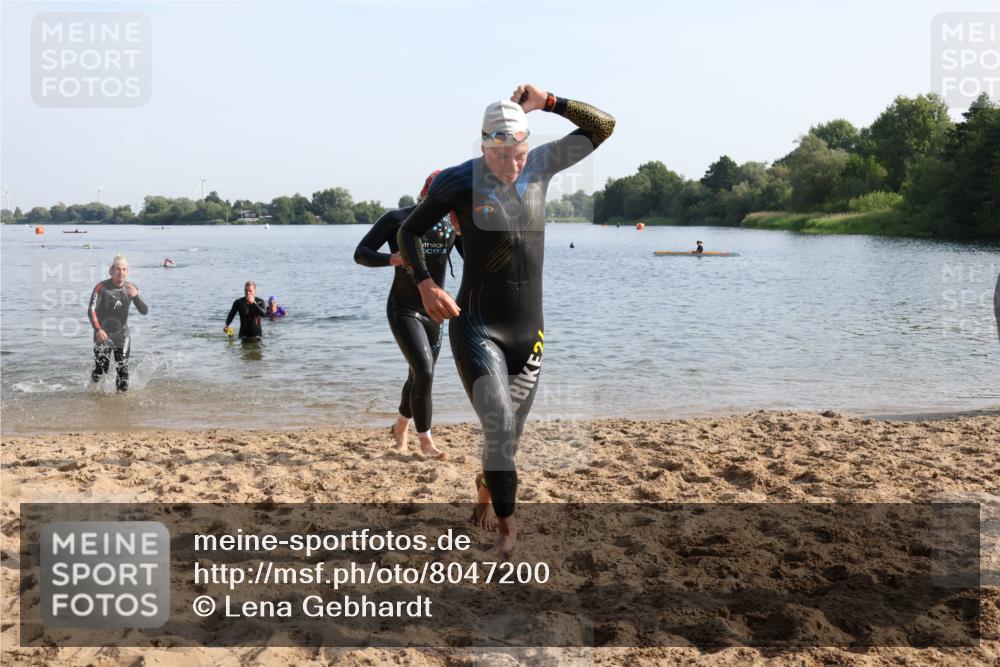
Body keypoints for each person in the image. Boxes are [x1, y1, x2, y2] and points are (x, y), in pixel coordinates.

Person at [398, 84, 614, 555]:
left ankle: (485, 487)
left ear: (527, 147)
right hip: (477, 328)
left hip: (529, 335)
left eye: (518, 155)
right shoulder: (457, 181)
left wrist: (550, 101)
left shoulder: (541, 166)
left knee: (507, 441)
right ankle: (508, 532)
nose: (512, 166)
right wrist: (426, 284)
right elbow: (408, 230)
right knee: (498, 425)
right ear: (483, 149)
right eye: (500, 157)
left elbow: (605, 126)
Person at [355, 172, 462, 459]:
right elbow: (361, 253)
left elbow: (475, 259)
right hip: (404, 308)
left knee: (418, 376)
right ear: (425, 192)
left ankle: (400, 427)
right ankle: (425, 441)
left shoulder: (452, 223)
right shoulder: (398, 219)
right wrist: (392, 258)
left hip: (434, 312)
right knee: (424, 371)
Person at [88, 254, 149, 391]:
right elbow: (91, 311)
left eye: (124, 269)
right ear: (112, 270)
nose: (121, 273)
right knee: (101, 369)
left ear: (127, 271)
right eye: (118, 269)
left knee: (123, 369)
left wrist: (137, 297)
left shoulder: (131, 288)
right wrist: (98, 329)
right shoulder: (101, 287)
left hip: (122, 335)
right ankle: (91, 390)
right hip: (102, 334)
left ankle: (121, 405)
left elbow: (144, 311)